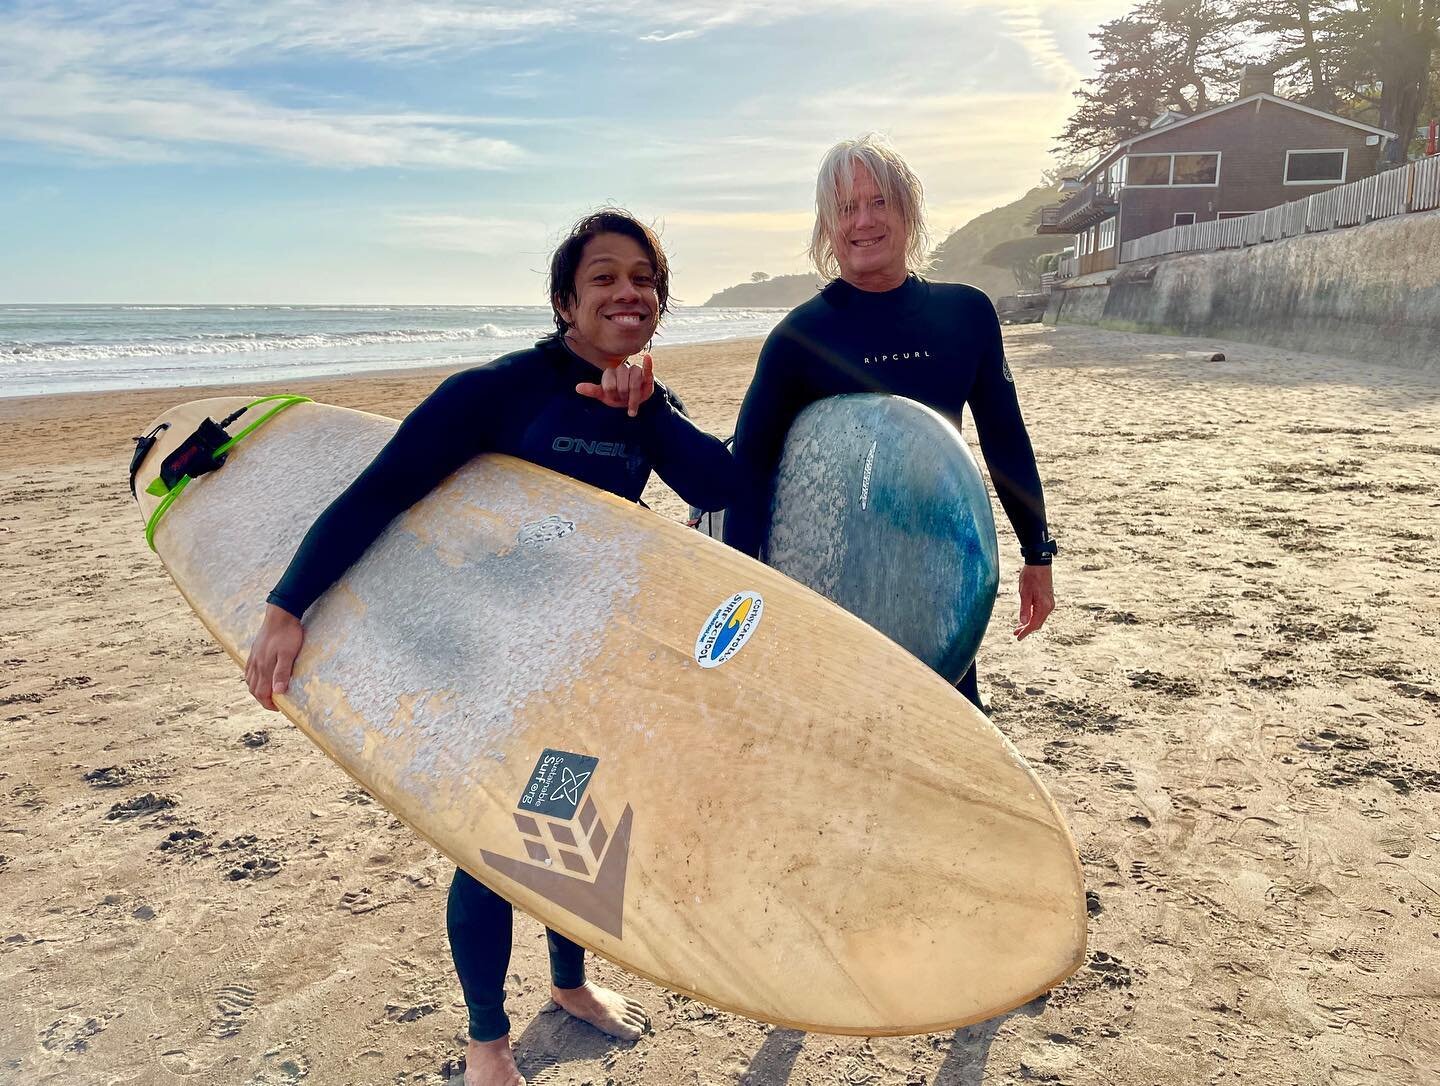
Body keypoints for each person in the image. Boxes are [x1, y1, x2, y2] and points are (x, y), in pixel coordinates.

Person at [244, 210, 735, 1086]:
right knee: (493, 845)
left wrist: (652, 412)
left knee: (570, 822)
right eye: (605, 278)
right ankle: (486, 1045)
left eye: (645, 280)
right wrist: (288, 604)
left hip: (587, 654)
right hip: (486, 659)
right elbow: (379, 492)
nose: (629, 292)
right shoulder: (495, 392)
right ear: (564, 301)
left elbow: (720, 485)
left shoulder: (647, 402)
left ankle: (570, 987)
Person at [724, 135, 1056, 707]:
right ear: (828, 228)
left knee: (947, 718)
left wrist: (1037, 554)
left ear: (908, 210)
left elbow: (1004, 439)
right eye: (846, 209)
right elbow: (749, 473)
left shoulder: (966, 314)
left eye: (878, 202)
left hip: (937, 561)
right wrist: (747, 595)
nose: (864, 222)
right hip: (831, 571)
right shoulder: (800, 338)